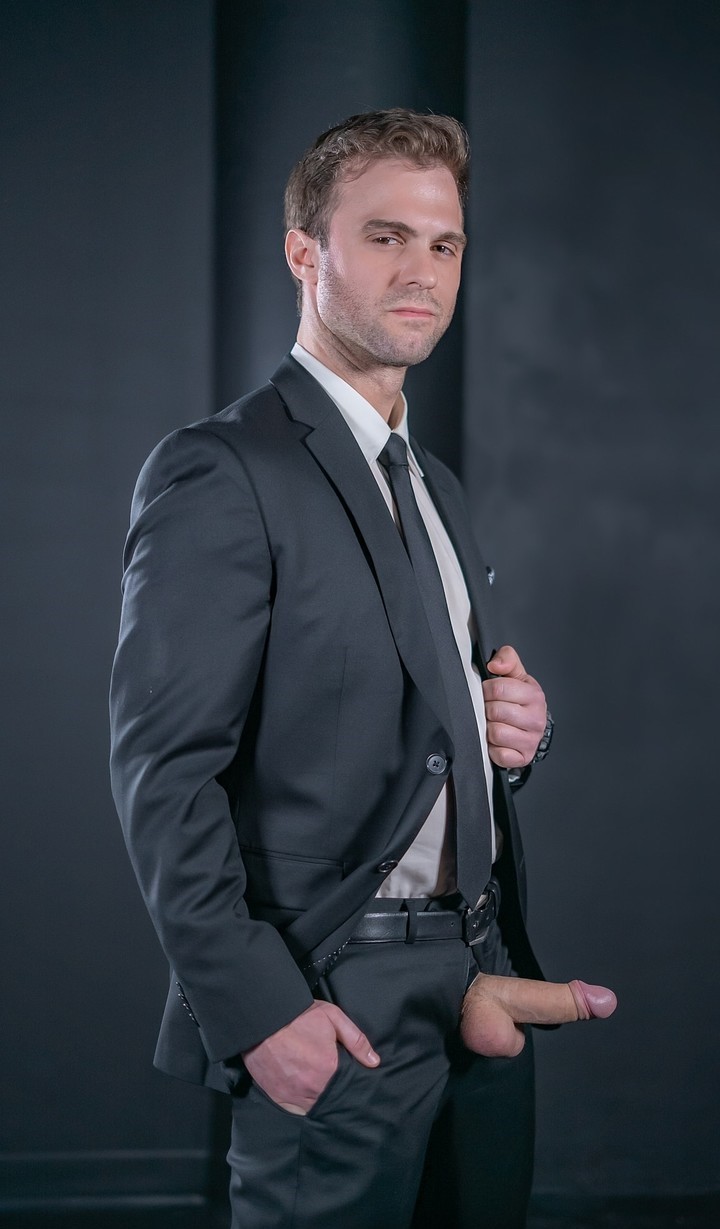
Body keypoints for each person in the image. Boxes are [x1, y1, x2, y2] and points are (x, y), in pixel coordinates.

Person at [110, 108, 610, 1229]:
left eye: (444, 244)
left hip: (480, 980)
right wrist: (258, 1010)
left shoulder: (434, 484)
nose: (422, 271)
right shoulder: (220, 469)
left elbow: (414, 720)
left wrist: (510, 736)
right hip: (329, 991)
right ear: (305, 252)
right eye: (385, 237)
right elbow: (164, 772)